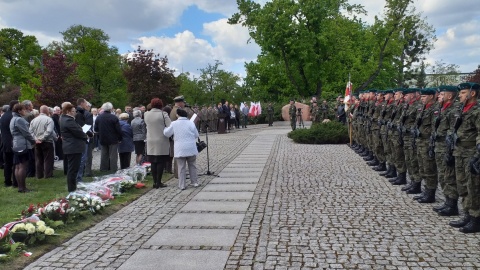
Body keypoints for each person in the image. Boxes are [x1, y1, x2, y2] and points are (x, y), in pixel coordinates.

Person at [164, 108, 199, 190]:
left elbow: (167, 133)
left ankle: (182, 185)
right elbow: (196, 135)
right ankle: (194, 182)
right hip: (191, 147)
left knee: (181, 167)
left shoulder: (174, 123)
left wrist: (165, 129)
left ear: (177, 115)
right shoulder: (191, 123)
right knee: (192, 165)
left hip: (180, 148)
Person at [60, 104, 90, 192]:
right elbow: (77, 132)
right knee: (73, 169)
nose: (75, 113)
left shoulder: (65, 119)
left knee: (73, 169)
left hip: (71, 146)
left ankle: (73, 187)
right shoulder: (68, 120)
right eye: (73, 111)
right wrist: (86, 136)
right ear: (68, 111)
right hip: (73, 147)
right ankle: (72, 189)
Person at [144, 98, 171, 188]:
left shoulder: (146, 114)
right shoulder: (163, 114)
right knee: (160, 161)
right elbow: (169, 126)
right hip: (161, 140)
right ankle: (159, 181)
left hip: (150, 139)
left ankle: (154, 182)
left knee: (153, 161)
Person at [10, 103, 36, 192]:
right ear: (19, 111)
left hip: (16, 143)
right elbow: (26, 133)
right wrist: (33, 141)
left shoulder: (13, 119)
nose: (25, 111)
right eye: (24, 109)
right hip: (22, 144)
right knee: (22, 166)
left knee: (17, 166)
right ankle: (22, 187)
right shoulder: (19, 120)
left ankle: (20, 187)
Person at [94, 102, 122, 172]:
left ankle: (103, 168)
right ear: (111, 109)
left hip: (103, 138)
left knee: (104, 154)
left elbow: (95, 129)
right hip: (113, 139)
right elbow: (118, 129)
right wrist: (120, 138)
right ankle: (113, 169)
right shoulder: (114, 117)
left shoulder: (99, 117)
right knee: (113, 155)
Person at [29, 105, 56, 179]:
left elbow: (30, 131)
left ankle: (39, 175)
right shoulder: (49, 119)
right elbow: (49, 131)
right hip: (47, 141)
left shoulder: (33, 120)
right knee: (48, 159)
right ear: (47, 111)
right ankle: (48, 174)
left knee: (38, 159)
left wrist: (36, 139)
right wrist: (42, 138)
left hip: (37, 142)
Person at [1, 100, 19, 187]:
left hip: (5, 142)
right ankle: (16, 181)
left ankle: (7, 181)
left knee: (7, 164)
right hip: (12, 142)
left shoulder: (4, 116)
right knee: (15, 163)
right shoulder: (13, 116)